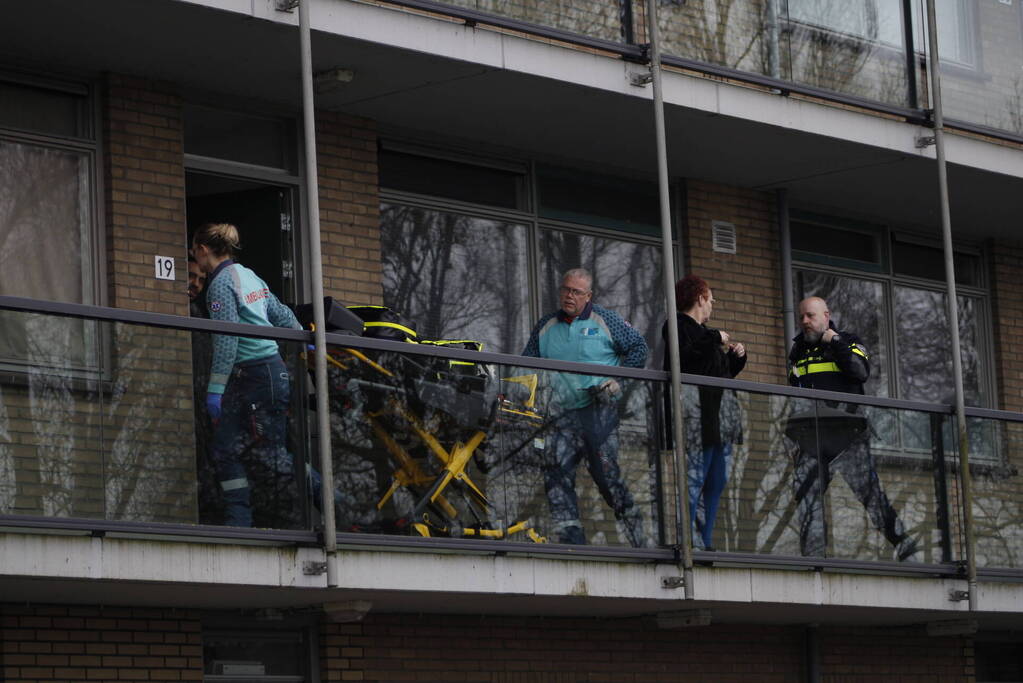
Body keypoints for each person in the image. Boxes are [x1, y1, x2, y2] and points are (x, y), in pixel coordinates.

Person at [522, 268, 649, 547]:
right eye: (565, 289)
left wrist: (619, 382)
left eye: (576, 292)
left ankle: (639, 539)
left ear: (588, 296)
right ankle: (572, 542)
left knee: (606, 475)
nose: (569, 295)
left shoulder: (606, 320)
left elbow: (639, 348)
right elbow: (525, 366)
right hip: (559, 415)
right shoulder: (545, 326)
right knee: (556, 476)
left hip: (597, 411)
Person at [192, 222, 306, 527]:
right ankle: (238, 518)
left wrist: (215, 391)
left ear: (202, 250)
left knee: (271, 455)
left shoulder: (219, 285)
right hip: (268, 374)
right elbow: (281, 314)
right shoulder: (248, 275)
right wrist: (302, 339)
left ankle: (327, 503)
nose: (196, 261)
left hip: (255, 377)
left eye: (194, 253)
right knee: (228, 448)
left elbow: (226, 340)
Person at [787, 296, 918, 561]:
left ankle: (905, 548)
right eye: (801, 317)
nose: (804, 322)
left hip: (848, 437)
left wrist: (835, 342)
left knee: (870, 495)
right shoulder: (797, 351)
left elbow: (860, 372)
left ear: (826, 316)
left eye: (810, 316)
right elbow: (795, 394)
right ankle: (814, 560)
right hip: (812, 438)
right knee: (807, 497)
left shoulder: (848, 341)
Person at [662, 275, 746, 551]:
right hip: (696, 419)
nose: (712, 304)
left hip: (718, 420)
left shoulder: (705, 335)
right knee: (695, 479)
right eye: (710, 299)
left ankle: (704, 539)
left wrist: (736, 358)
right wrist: (714, 337)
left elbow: (718, 374)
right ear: (700, 298)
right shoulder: (678, 326)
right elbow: (684, 358)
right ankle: (689, 540)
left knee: (716, 480)